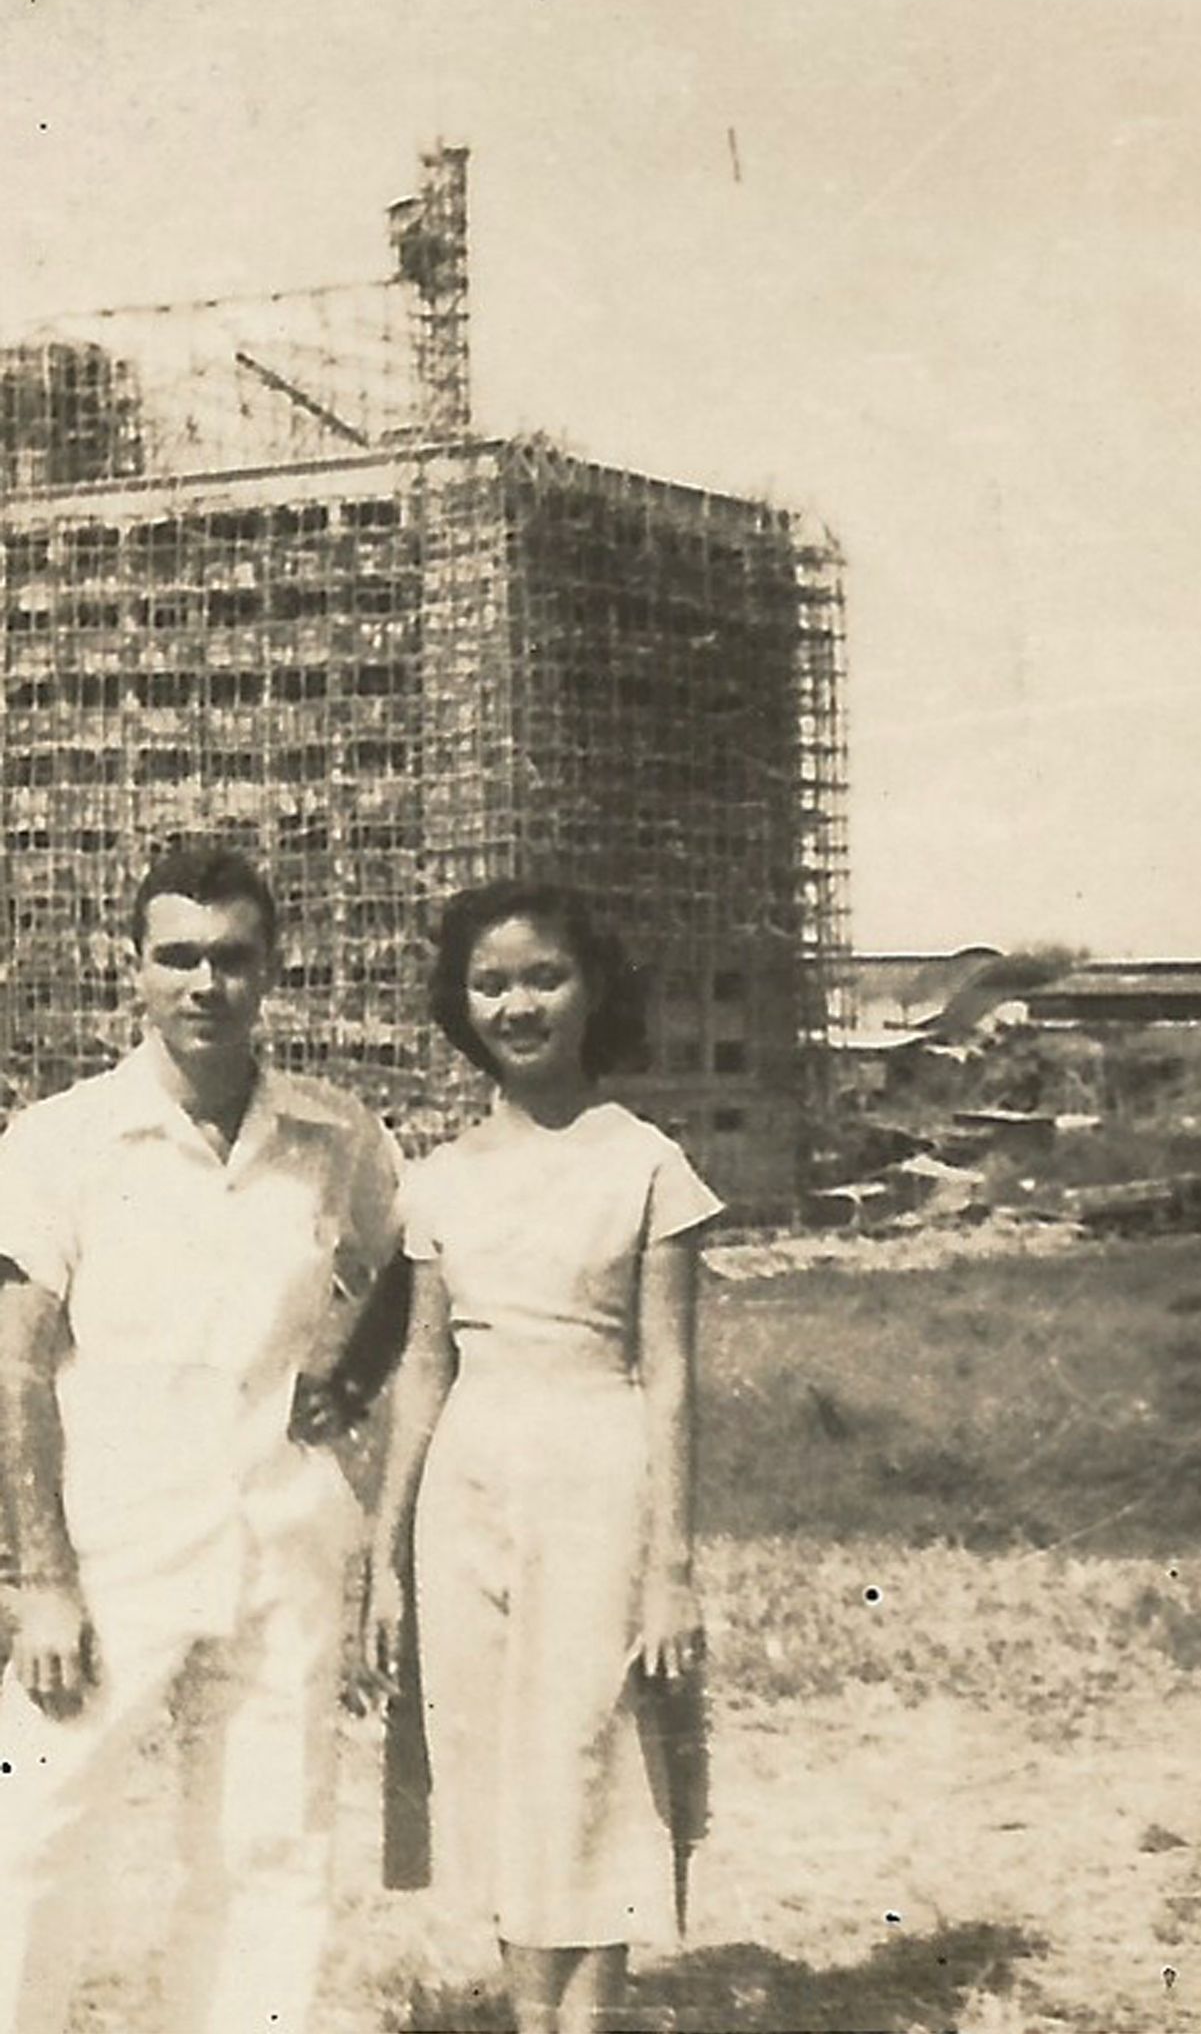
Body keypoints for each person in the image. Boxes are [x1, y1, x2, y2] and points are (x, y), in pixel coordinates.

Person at [0, 845, 403, 2034]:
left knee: (268, 1840)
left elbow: (413, 1268)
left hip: (282, 1533)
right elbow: (16, 1366)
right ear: (131, 969)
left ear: (270, 970)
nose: (205, 983)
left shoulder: (336, 1135)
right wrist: (43, 1578)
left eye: (233, 958)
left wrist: (354, 1376)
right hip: (112, 1539)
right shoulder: (60, 1140)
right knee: (37, 1823)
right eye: (177, 956)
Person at [364, 882, 722, 2034]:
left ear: (593, 987)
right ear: (460, 1004)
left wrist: (671, 1562)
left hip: (596, 1478)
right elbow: (421, 1368)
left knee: (584, 1749)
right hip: (465, 1489)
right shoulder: (439, 1174)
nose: (518, 1004)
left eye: (543, 976)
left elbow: (668, 1372)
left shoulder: (647, 1162)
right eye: (490, 983)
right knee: (493, 1756)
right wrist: (384, 1556)